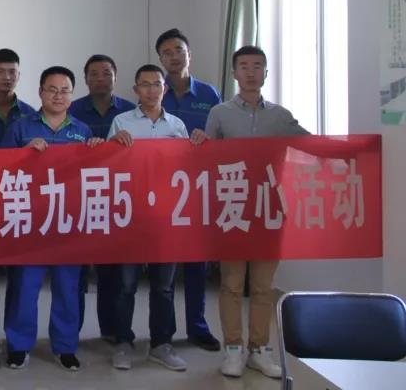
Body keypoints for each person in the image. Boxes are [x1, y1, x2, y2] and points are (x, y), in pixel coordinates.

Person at [198, 45, 308, 380]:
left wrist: (353, 149)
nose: (250, 72)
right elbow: (205, 159)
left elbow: (311, 144)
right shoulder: (219, 113)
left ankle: (259, 349)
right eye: (244, 66)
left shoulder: (281, 116)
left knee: (263, 285)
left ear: (266, 73)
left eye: (257, 66)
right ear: (234, 73)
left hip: (269, 207)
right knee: (232, 283)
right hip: (232, 207)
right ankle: (233, 347)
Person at [0, 66, 103, 371]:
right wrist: (23, 153)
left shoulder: (83, 131)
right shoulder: (21, 127)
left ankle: (65, 346)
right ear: (40, 92)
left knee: (68, 286)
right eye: (52, 89)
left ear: (72, 95)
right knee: (24, 285)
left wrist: (97, 151)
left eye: (65, 90)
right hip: (29, 219)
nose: (58, 96)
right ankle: (18, 345)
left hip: (68, 220)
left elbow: (92, 174)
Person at [107, 64, 194, 372]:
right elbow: (108, 166)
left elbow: (189, 166)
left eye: (157, 84)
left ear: (164, 89)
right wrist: (114, 145)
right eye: (145, 84)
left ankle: (161, 344)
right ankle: (122, 342)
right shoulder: (121, 122)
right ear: (135, 90)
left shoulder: (177, 126)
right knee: (126, 285)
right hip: (131, 214)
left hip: (166, 217)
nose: (151, 90)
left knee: (164, 286)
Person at [156, 28, 223, 353]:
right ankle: (164, 333)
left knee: (197, 265)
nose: (173, 56)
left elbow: (221, 138)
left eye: (178, 50)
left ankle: (197, 328)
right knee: (165, 269)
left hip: (199, 190)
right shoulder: (155, 93)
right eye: (166, 52)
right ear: (160, 59)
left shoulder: (209, 95)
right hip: (161, 191)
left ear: (189, 54)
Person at [68, 54, 136, 344]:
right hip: (78, 200)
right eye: (94, 74)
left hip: (115, 200)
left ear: (115, 77)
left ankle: (110, 329)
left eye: (106, 73)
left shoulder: (130, 112)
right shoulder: (71, 109)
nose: (100, 79)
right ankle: (72, 333)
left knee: (112, 272)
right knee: (76, 273)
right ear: (85, 79)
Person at [0, 48, 36, 142]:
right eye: (0, 71)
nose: (7, 77)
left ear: (18, 75)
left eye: (12, 72)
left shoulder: (30, 113)